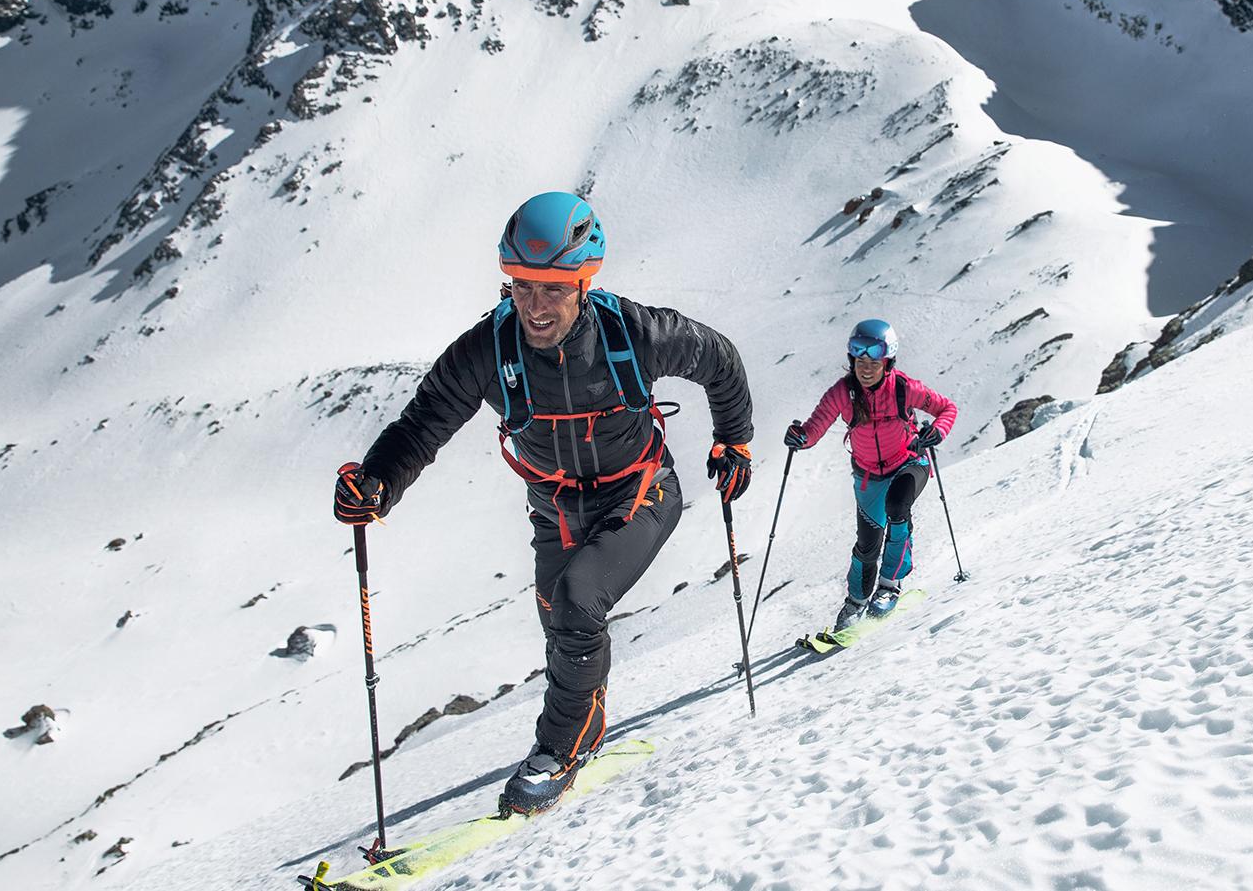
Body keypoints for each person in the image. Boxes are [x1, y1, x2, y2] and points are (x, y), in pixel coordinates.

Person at [331, 191, 755, 814]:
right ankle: (584, 719)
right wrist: (377, 484)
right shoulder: (488, 350)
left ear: (584, 280)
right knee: (562, 632)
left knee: (578, 604)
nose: (534, 305)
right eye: (521, 285)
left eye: (552, 287)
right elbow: (424, 423)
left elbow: (719, 359)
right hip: (554, 511)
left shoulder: (633, 334)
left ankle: (558, 752)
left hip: (641, 492)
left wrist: (735, 441)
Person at [783, 318, 957, 632]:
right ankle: (856, 601)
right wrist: (801, 438)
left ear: (887, 361)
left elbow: (947, 409)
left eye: (874, 361)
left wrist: (937, 432)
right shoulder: (842, 392)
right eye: (859, 361)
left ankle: (890, 584)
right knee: (867, 545)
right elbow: (816, 426)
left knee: (897, 509)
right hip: (867, 477)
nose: (865, 368)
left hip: (909, 462)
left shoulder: (904, 388)